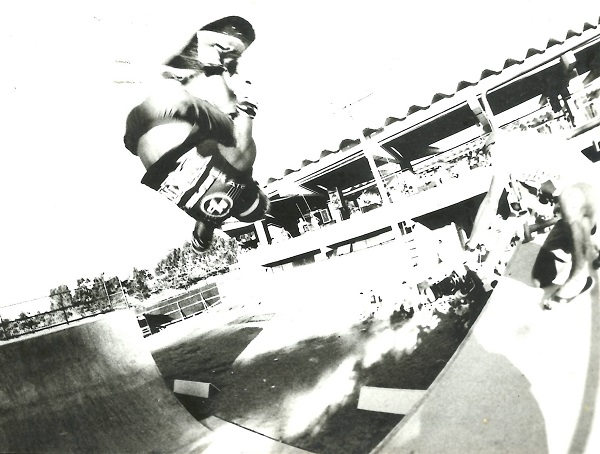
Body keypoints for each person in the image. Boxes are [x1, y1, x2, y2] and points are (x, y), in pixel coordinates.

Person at [124, 16, 269, 253]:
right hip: (135, 132)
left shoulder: (242, 168)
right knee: (213, 142)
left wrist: (241, 85)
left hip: (168, 112)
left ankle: (209, 58)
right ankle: (181, 78)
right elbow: (200, 244)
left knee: (232, 119)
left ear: (254, 188)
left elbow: (244, 111)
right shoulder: (207, 217)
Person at [465, 128, 599, 306]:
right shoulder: (520, 159)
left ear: (495, 146)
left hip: (588, 194)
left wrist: (470, 246)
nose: (490, 161)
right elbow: (518, 214)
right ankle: (591, 247)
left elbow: (490, 202)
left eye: (488, 154)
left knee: (572, 203)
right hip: (574, 207)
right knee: (540, 278)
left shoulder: (511, 150)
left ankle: (578, 279)